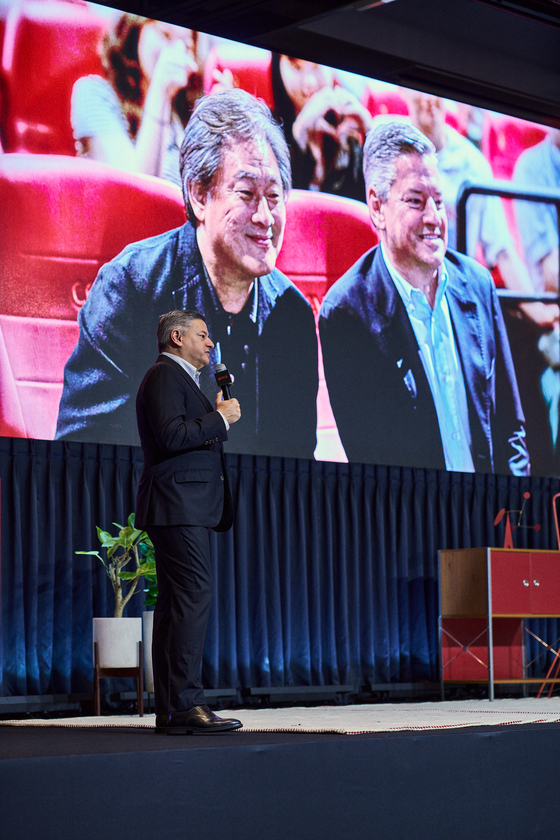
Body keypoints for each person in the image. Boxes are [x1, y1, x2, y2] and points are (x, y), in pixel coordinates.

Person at [55, 89, 318, 459]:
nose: (264, 217)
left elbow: (292, 474)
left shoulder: (292, 314)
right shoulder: (130, 288)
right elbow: (83, 454)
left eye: (274, 197)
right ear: (198, 194)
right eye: (246, 193)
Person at [319, 120, 529, 475]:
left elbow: (511, 430)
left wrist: (510, 517)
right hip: (417, 523)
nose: (434, 217)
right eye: (416, 201)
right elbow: (373, 467)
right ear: (377, 207)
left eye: (439, 200)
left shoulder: (478, 284)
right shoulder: (345, 314)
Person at [136, 309, 242, 734]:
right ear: (177, 337)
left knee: (176, 605)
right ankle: (185, 705)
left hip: (183, 506)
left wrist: (213, 417)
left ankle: (171, 709)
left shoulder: (187, 381)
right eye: (202, 335)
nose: (211, 343)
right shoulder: (164, 376)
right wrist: (220, 420)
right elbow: (172, 436)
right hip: (177, 505)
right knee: (193, 597)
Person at [403, 90, 556, 329]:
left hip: (455, 301)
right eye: (417, 92)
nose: (427, 100)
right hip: (405, 295)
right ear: (404, 92)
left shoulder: (472, 163)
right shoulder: (392, 149)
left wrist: (536, 309)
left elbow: (502, 250)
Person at [71, 14, 205, 187]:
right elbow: (134, 194)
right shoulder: (94, 93)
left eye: (186, 46)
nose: (175, 53)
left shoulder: (185, 115)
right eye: (165, 35)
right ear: (136, 31)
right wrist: (159, 90)